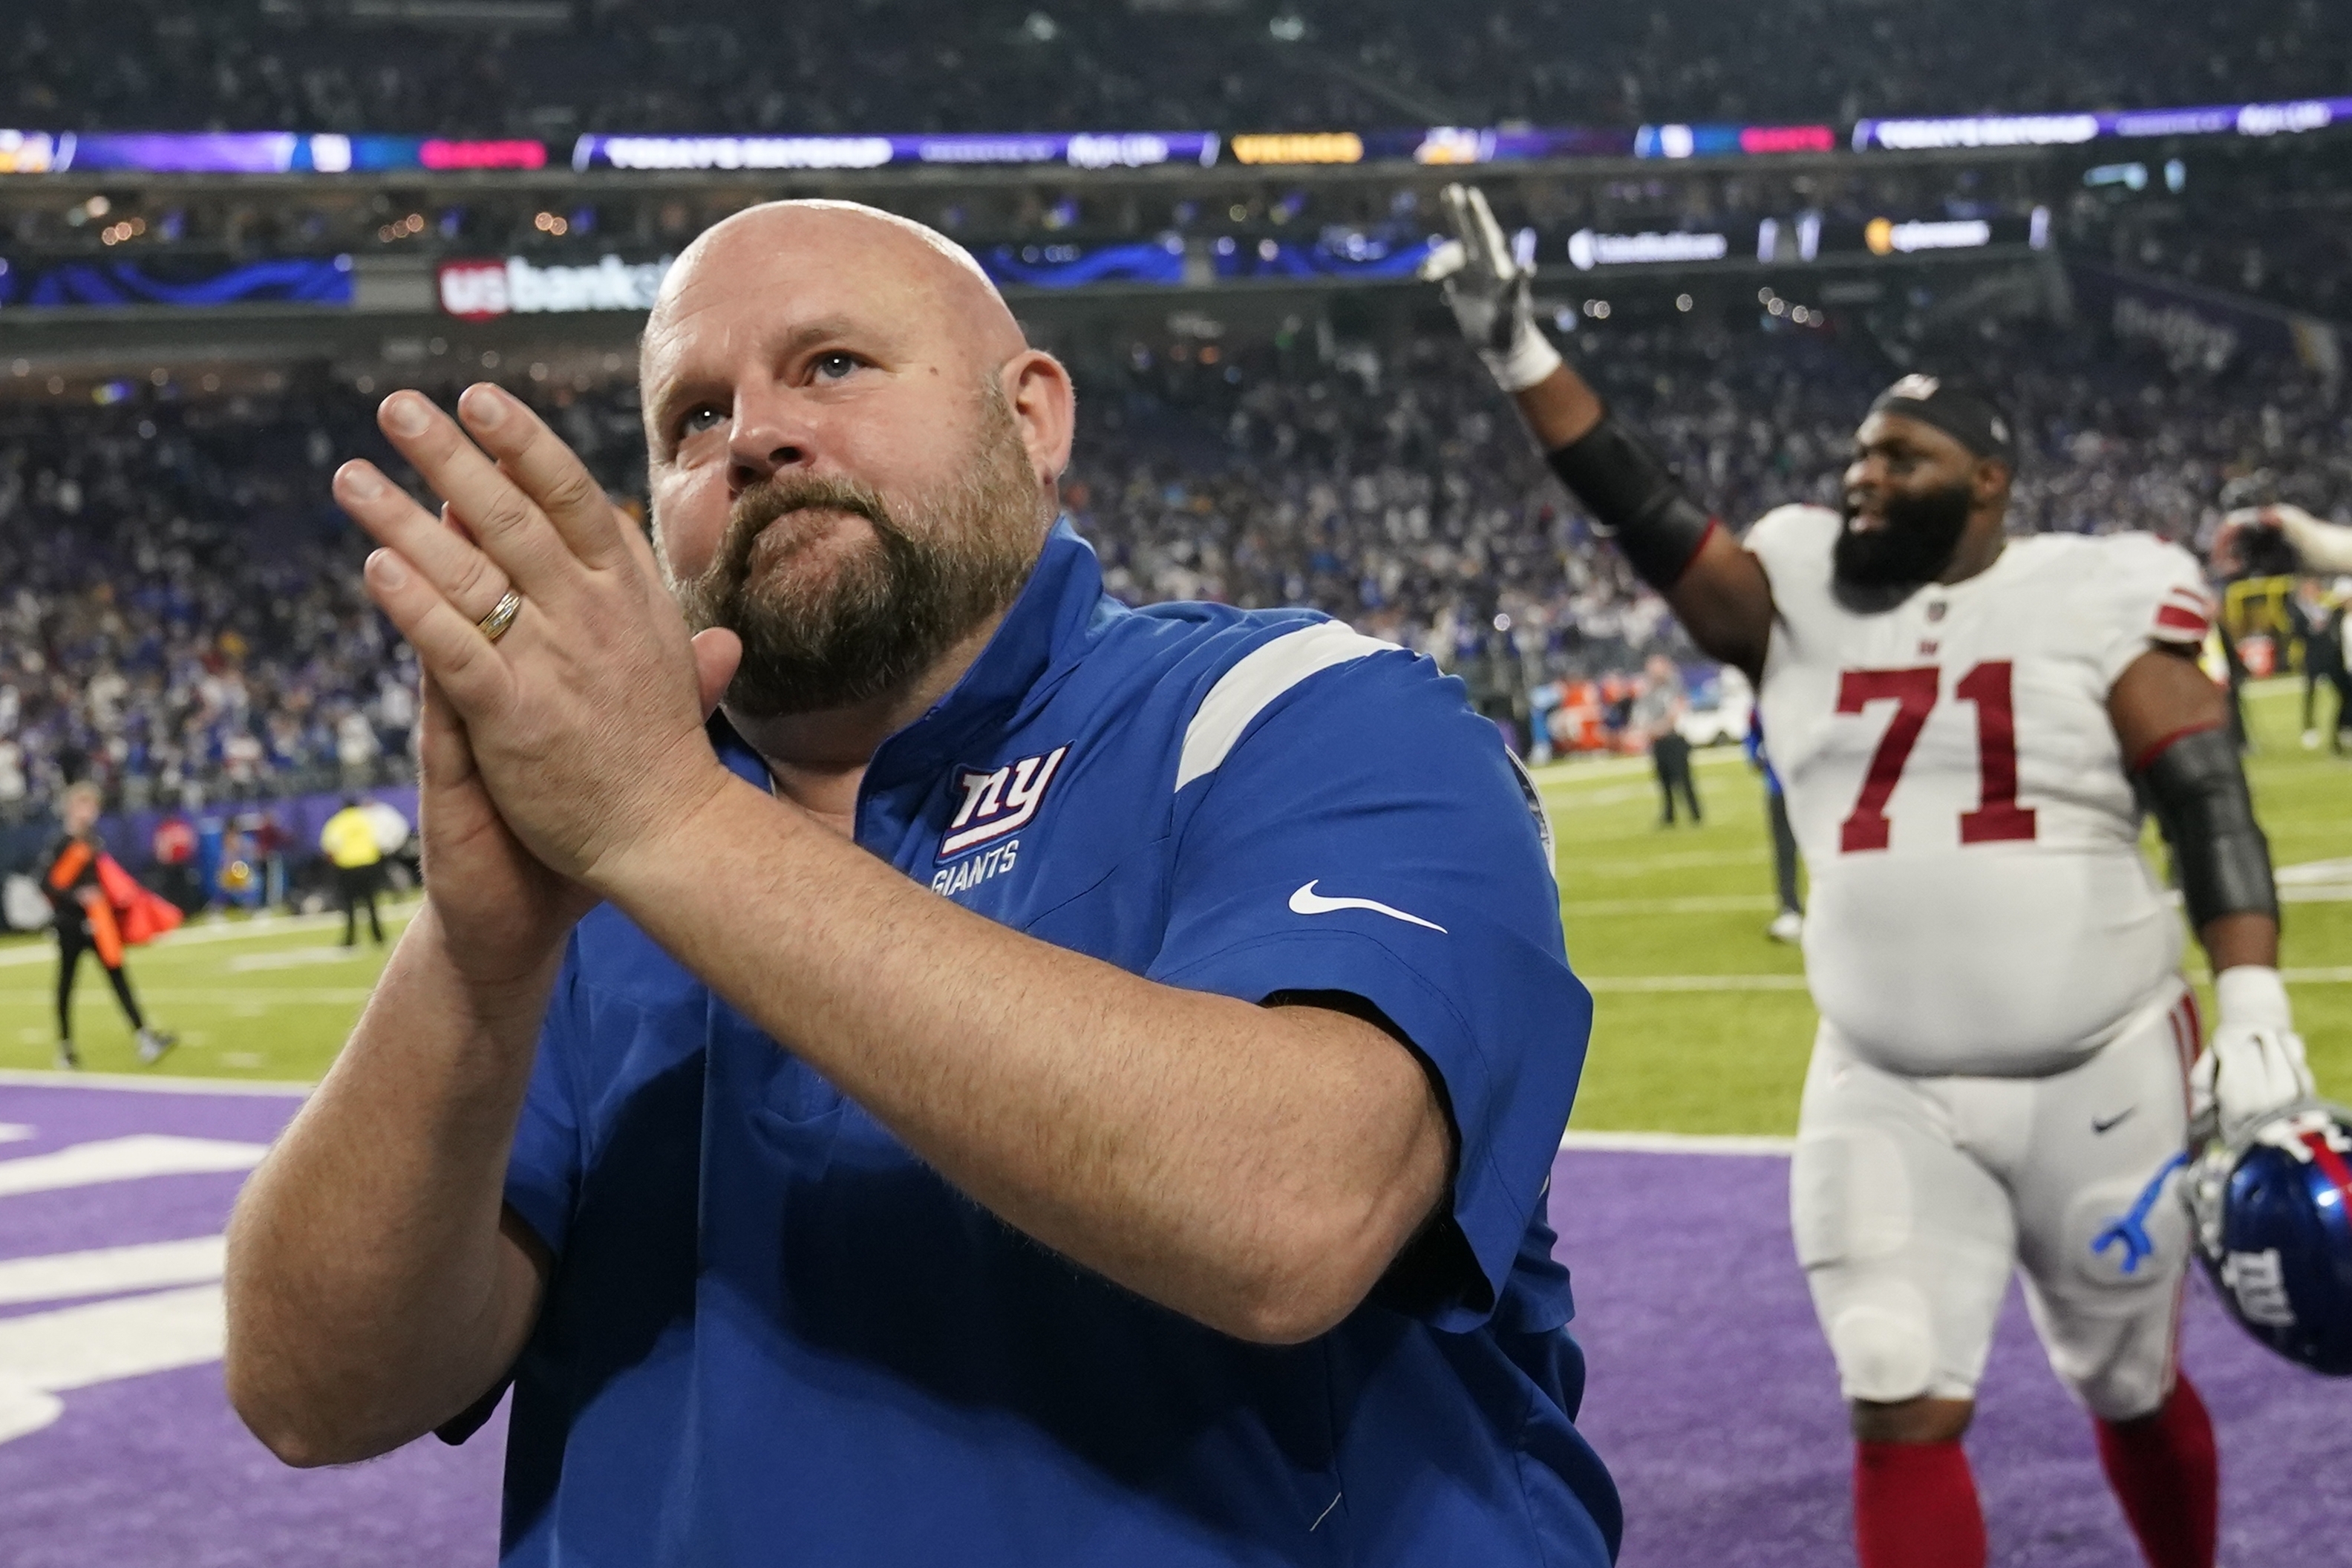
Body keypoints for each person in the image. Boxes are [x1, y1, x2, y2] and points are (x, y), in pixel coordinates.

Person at [224, 200, 1619, 1568]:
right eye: (692, 419)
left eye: (830, 365)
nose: (755, 435)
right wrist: (474, 961)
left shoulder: (1294, 711)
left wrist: (663, 819)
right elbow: (312, 1392)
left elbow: (1293, 1209)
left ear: (1031, 415)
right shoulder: (590, 881)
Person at [1429, 183, 2314, 1568]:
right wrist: (1521, 357)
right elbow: (1653, 517)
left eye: (1899, 456)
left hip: (2102, 1070)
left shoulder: (2100, 584)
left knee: (2126, 1386)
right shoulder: (1789, 584)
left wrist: (2251, 995)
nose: (1861, 474)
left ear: (1986, 480)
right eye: (1855, 452)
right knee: (1894, 1394)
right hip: (1882, 1077)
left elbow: (2201, 789)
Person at [43, 781, 180, 1068]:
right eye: (85, 805)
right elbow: (49, 883)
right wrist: (77, 897)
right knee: (66, 985)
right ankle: (66, 1048)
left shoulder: (92, 840)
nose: (90, 812)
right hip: (70, 925)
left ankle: (144, 1036)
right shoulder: (62, 842)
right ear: (72, 807)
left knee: (119, 977)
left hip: (97, 923)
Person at [1745, 713, 1804, 943]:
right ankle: (1790, 909)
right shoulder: (1765, 698)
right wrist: (1755, 757)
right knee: (1785, 851)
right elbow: (1752, 733)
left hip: (1817, 787)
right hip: (1780, 786)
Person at [1630, 653, 1701, 826]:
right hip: (1658, 742)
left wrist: (1655, 730)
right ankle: (1669, 815)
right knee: (1664, 780)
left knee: (1683, 779)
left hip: (1674, 739)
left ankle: (1695, 813)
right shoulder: (1648, 691)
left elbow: (1674, 714)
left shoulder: (1674, 687)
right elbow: (1640, 715)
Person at [319, 795, 385, 946]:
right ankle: (379, 936)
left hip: (347, 867)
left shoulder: (338, 822)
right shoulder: (367, 819)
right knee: (371, 903)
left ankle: (350, 939)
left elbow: (330, 846)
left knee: (349, 905)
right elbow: (381, 840)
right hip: (369, 864)